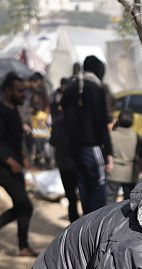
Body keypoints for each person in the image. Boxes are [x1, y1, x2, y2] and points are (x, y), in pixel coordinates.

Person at [0, 73, 36, 257]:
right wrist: (11, 161)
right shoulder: (0, 113)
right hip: (3, 169)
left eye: (25, 91)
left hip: (14, 167)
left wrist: (23, 158)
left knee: (23, 206)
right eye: (20, 91)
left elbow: (13, 140)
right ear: (8, 91)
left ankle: (22, 246)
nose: (23, 94)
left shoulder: (13, 110)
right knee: (24, 205)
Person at [59, 56, 113, 214]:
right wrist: (109, 152)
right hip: (92, 147)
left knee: (83, 188)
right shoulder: (96, 89)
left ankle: (86, 225)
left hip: (73, 148)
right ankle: (96, 226)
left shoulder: (70, 89)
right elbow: (101, 123)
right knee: (99, 184)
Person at [50, 69, 82, 221]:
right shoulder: (80, 121)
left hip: (65, 164)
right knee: (83, 195)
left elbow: (53, 142)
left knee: (71, 198)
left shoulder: (58, 122)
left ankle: (73, 225)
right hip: (78, 163)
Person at [107, 110, 139, 203]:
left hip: (113, 171)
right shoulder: (136, 136)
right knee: (128, 202)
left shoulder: (111, 135)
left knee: (109, 200)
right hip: (130, 173)